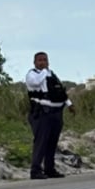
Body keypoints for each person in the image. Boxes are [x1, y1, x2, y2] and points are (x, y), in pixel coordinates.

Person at [25, 51, 74, 180]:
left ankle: (49, 168)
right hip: (42, 113)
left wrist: (69, 104)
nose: (42, 62)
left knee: (52, 142)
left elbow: (60, 92)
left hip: (56, 113)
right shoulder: (32, 75)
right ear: (34, 62)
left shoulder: (52, 74)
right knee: (41, 142)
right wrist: (44, 71)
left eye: (45, 60)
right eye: (40, 60)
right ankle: (35, 170)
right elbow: (36, 83)